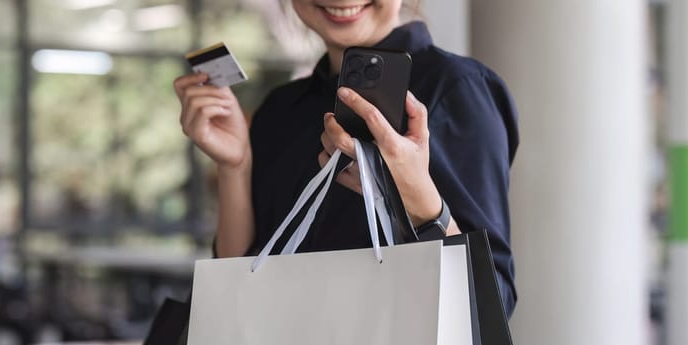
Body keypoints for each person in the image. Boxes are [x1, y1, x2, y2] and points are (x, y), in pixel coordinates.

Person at [174, 0, 518, 317]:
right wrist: (236, 165)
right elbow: (238, 283)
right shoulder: (280, 109)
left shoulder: (456, 88)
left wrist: (417, 202)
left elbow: (493, 306)